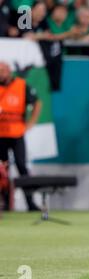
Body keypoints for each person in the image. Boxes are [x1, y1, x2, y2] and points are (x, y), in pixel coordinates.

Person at [0, 62, 42, 212]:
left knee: (22, 166)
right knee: (3, 170)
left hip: (17, 133)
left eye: (4, 70)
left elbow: (37, 102)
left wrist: (30, 123)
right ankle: (5, 203)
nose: (2, 73)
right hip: (1, 135)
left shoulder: (21, 85)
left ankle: (30, 202)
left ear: (10, 71)